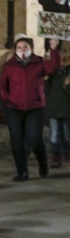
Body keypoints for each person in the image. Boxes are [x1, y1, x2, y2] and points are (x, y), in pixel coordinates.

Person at [0, 35, 62, 181]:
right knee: (16, 140)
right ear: (15, 50)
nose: (22, 50)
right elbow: (2, 85)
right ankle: (22, 172)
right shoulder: (10, 65)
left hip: (35, 107)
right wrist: (7, 99)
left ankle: (42, 163)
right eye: (19, 48)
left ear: (30, 49)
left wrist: (54, 50)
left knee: (34, 138)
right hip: (14, 108)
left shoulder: (38, 62)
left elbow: (53, 68)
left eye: (25, 47)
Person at [44, 40, 70, 168]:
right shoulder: (52, 74)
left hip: (66, 109)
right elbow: (46, 91)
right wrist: (46, 81)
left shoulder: (68, 73)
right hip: (54, 109)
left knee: (66, 134)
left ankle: (66, 153)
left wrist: (67, 86)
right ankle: (56, 158)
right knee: (54, 135)